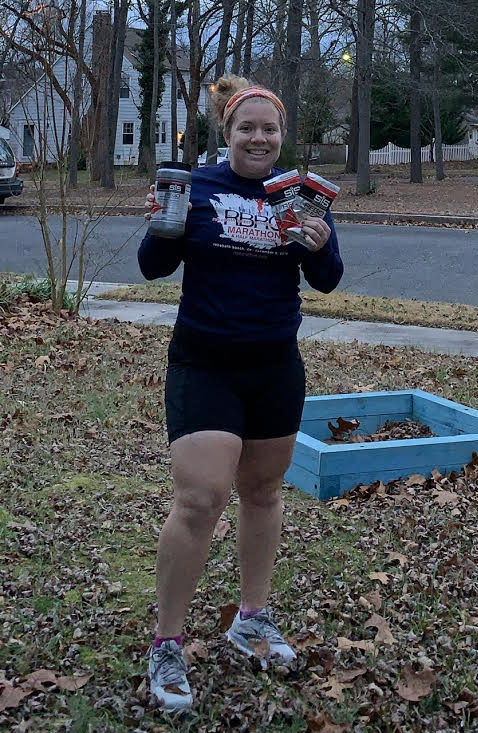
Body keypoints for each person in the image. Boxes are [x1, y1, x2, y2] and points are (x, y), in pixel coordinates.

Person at [138, 75, 343, 712]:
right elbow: (153, 267)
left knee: (261, 491)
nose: (259, 137)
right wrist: (162, 227)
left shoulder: (302, 196)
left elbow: (328, 280)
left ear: (282, 137)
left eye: (269, 128)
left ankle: (251, 617)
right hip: (204, 362)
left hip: (275, 364)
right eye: (246, 128)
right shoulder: (195, 188)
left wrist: (321, 241)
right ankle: (166, 643)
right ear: (226, 135)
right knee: (201, 499)